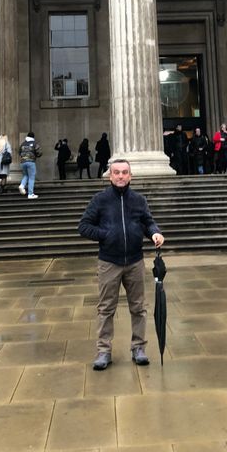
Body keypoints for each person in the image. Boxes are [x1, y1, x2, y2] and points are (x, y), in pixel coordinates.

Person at [78, 158, 164, 370]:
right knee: (106, 308)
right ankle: (104, 351)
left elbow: (147, 222)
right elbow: (84, 226)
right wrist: (106, 235)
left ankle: (138, 347)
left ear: (130, 176)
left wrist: (155, 232)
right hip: (109, 262)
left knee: (139, 307)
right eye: (116, 172)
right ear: (110, 176)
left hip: (135, 261)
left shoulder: (139, 200)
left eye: (125, 172)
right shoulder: (100, 200)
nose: (120, 176)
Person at [18, 132, 42, 199]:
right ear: (33, 137)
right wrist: (36, 155)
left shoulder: (22, 144)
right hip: (31, 162)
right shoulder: (34, 143)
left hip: (23, 162)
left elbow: (19, 152)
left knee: (25, 175)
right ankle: (30, 194)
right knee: (31, 177)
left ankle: (22, 185)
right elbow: (39, 153)